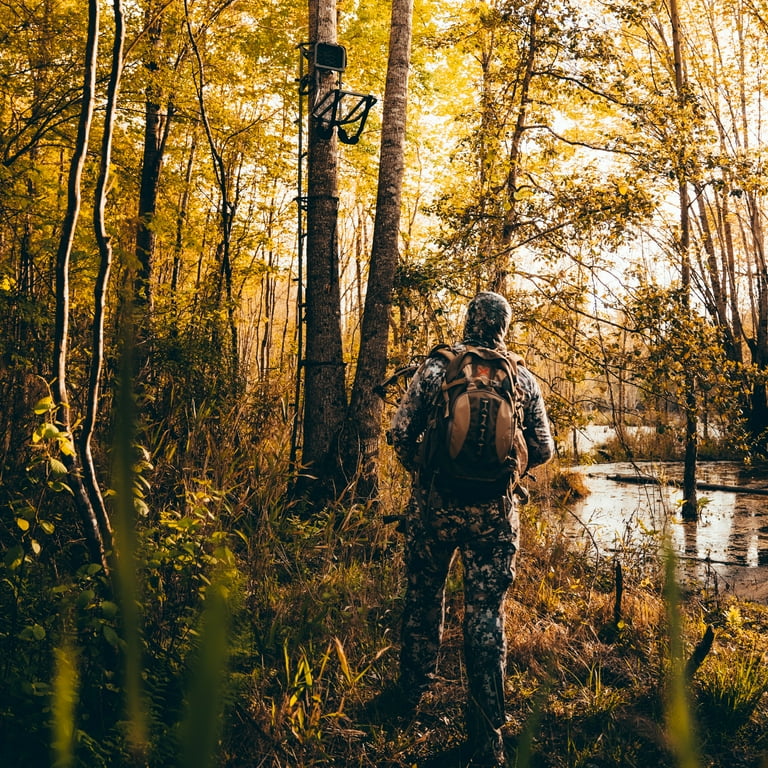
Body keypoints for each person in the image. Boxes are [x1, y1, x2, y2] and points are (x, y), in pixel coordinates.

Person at [388, 291, 555, 767]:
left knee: (423, 599)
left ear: (468, 320)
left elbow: (400, 433)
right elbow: (543, 450)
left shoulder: (438, 368)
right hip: (494, 519)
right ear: (503, 326)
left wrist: (423, 473)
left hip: (433, 510)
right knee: (485, 617)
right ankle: (487, 735)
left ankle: (409, 701)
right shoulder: (520, 378)